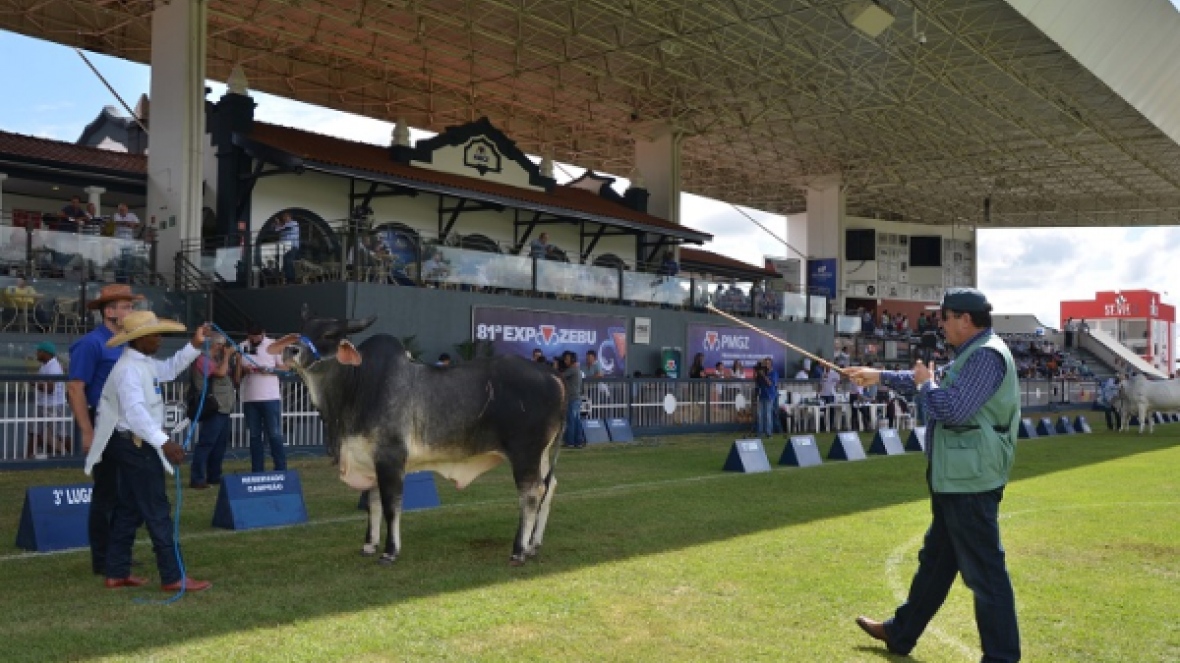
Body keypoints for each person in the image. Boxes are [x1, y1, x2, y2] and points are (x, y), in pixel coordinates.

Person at [846, 287, 1021, 663]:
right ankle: (900, 633)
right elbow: (930, 384)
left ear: (965, 320)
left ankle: (1002, 657)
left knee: (985, 575)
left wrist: (925, 384)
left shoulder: (986, 358)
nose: (939, 323)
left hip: (970, 481)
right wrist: (877, 375)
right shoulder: (974, 353)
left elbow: (950, 408)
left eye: (944, 316)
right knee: (936, 564)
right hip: (957, 478)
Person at [84, 311, 213, 592]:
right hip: (134, 443)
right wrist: (164, 442)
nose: (159, 339)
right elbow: (135, 413)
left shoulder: (142, 363)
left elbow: (168, 369)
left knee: (130, 508)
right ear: (139, 339)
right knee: (156, 509)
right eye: (155, 335)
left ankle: (116, 571)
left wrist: (194, 344)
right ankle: (172, 575)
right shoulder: (129, 370)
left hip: (131, 442)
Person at [67, 283, 144, 577]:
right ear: (108, 311)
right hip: (104, 425)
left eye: (131, 306)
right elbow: (76, 389)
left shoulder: (129, 342)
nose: (131, 311)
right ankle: (104, 559)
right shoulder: (91, 344)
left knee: (130, 492)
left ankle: (117, 552)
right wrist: (87, 432)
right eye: (126, 306)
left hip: (127, 425)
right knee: (108, 495)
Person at [235, 324, 289, 473]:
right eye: (251, 336)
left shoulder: (273, 345)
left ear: (263, 334)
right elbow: (237, 377)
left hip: (270, 397)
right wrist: (243, 368)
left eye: (257, 336)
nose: (254, 339)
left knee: (274, 434)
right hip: (250, 398)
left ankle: (280, 468)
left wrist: (270, 370)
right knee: (254, 436)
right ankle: (257, 469)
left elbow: (285, 368)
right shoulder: (241, 346)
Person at [189, 335, 238, 490]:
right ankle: (197, 478)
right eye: (222, 345)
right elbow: (221, 373)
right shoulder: (202, 360)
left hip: (224, 407)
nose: (223, 348)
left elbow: (234, 378)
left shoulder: (217, 360)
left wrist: (237, 360)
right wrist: (228, 355)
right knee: (206, 443)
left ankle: (214, 476)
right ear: (215, 345)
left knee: (219, 445)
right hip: (213, 407)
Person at [31, 341, 67, 458]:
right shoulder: (45, 365)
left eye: (38, 351)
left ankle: (67, 455)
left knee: (53, 434)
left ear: (46, 353)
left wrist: (34, 383)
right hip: (44, 404)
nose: (36, 353)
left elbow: (50, 388)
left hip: (52, 404)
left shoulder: (53, 367)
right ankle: (31, 455)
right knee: (36, 432)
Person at [560, 352, 584, 448]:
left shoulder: (573, 369)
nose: (565, 361)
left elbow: (561, 376)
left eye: (567, 359)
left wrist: (555, 367)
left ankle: (570, 442)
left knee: (571, 421)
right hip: (575, 398)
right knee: (576, 421)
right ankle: (578, 442)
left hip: (572, 399)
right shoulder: (576, 369)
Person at [273, 212, 300, 283]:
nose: (284, 218)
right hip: (284, 247)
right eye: (283, 217)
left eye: (286, 217)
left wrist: (278, 223)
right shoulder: (283, 225)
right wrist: (278, 224)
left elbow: (282, 228)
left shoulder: (294, 223)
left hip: (292, 246)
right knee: (284, 262)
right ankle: (286, 278)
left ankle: (291, 280)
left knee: (288, 262)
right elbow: (276, 230)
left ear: (290, 217)